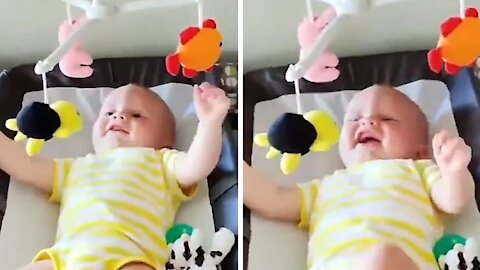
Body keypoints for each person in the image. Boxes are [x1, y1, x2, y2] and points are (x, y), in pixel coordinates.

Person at [0, 82, 230, 270]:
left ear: (166, 142)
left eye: (137, 115)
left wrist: (210, 123)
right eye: (109, 112)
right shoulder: (74, 167)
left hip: (131, 257)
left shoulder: (160, 161)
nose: (118, 116)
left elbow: (197, 165)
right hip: (65, 258)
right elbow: (23, 165)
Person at [244, 85, 474, 270]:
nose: (367, 122)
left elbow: (454, 201)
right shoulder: (325, 187)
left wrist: (454, 171)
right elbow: (273, 199)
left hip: (397, 263)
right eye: (354, 119)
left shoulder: (417, 170)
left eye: (387, 119)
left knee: (385, 256)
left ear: (420, 150)